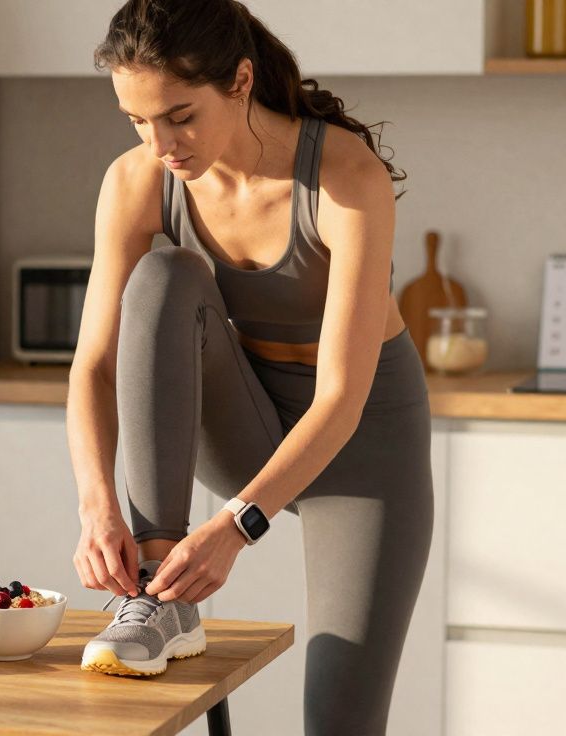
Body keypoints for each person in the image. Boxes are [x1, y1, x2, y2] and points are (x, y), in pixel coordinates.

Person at [67, 1, 433, 732]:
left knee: (341, 721)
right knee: (165, 279)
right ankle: (165, 597)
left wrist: (236, 525)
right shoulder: (140, 179)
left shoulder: (342, 177)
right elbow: (96, 367)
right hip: (250, 416)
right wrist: (96, 504)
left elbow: (341, 397)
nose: (161, 143)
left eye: (179, 115)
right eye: (137, 120)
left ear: (239, 80)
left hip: (363, 440)